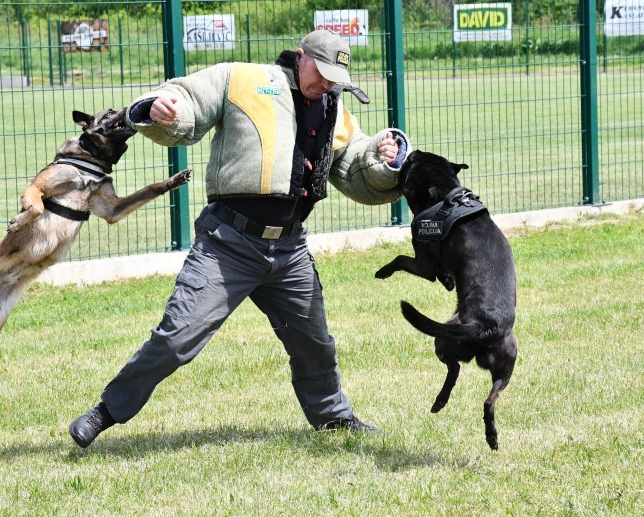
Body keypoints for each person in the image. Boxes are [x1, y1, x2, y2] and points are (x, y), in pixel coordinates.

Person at [69, 29, 411, 448]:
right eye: (319, 74)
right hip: (227, 243)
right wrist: (160, 109)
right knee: (177, 337)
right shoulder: (243, 79)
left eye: (332, 80)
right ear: (299, 57)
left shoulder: (334, 108)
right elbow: (186, 102)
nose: (324, 84)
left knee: (314, 342)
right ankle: (105, 413)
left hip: (289, 250)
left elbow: (354, 165)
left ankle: (334, 419)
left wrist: (384, 156)